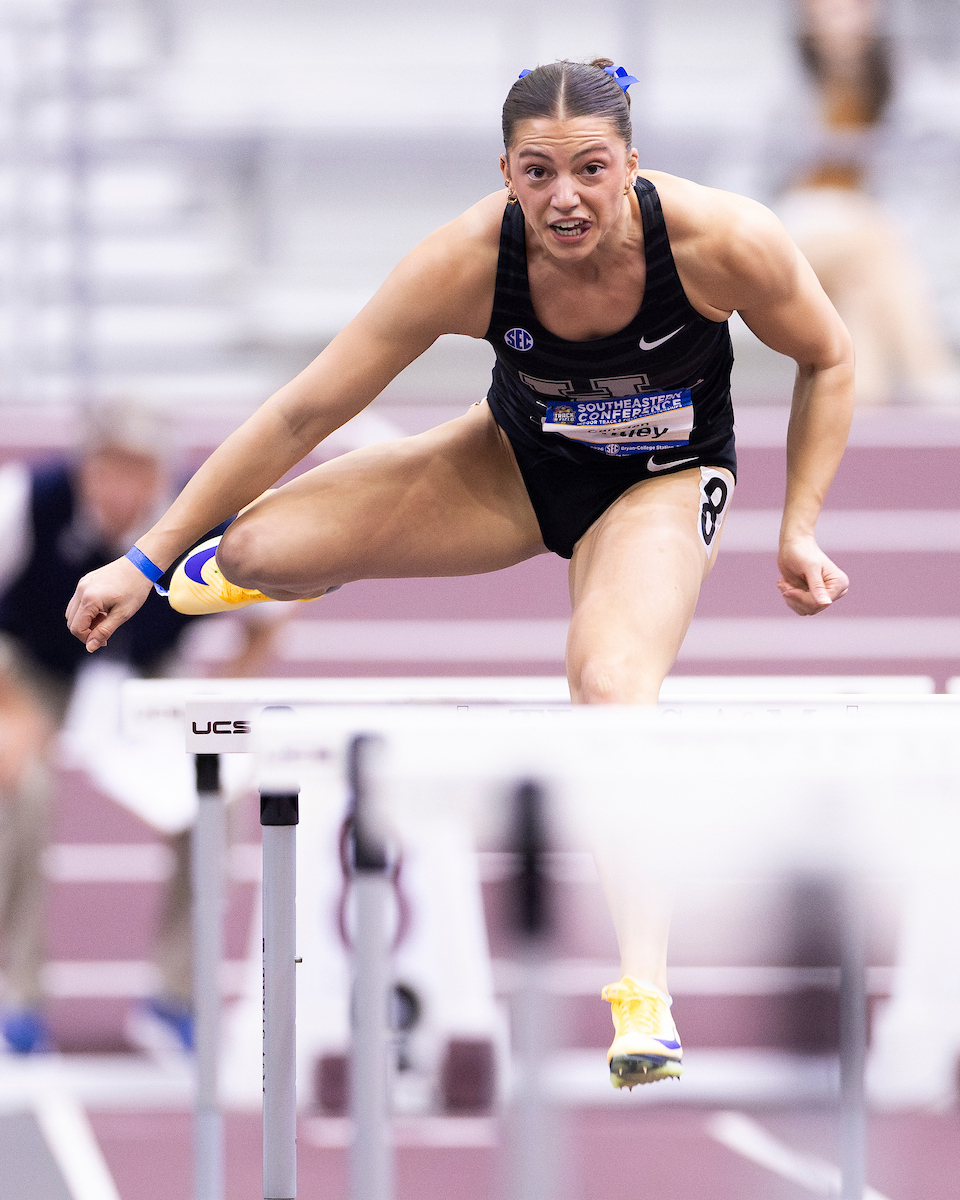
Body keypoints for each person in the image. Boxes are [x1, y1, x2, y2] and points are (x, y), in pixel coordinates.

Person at [66, 59, 853, 1089]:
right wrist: (147, 557)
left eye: (591, 169)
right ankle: (283, 565)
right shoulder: (468, 259)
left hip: (660, 482)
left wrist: (800, 527)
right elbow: (305, 409)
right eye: (538, 173)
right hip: (514, 466)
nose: (565, 198)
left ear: (632, 165)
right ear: (506, 174)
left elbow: (829, 355)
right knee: (256, 551)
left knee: (613, 687)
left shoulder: (722, 241)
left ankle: (644, 993)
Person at [0, 400, 281, 1053]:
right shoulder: (26, 504)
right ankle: (16, 989)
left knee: (214, 794)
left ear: (161, 472)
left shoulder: (204, 523)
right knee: (18, 789)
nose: (120, 486)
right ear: (83, 466)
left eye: (138, 468)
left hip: (148, 674)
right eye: (107, 466)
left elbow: (271, 617)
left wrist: (222, 694)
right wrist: (9, 708)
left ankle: (176, 993)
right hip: (38, 670)